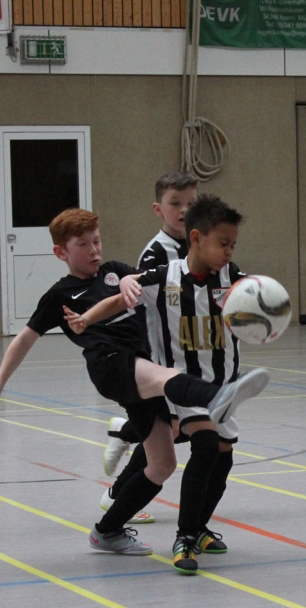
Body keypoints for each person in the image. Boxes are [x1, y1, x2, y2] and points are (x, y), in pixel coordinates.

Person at [0, 207, 269, 557]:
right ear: (60, 252)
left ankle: (107, 530)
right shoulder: (60, 294)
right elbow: (25, 339)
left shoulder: (115, 271)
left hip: (142, 368)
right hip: (111, 365)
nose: (94, 250)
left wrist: (132, 280)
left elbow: (147, 281)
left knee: (161, 465)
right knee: (169, 377)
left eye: (97, 241)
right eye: (83, 245)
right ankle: (217, 396)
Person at [66, 194, 264, 575]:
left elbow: (258, 306)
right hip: (181, 386)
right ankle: (184, 537)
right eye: (223, 243)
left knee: (223, 457)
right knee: (205, 446)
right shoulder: (164, 277)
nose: (228, 252)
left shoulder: (233, 279)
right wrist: (87, 319)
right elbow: (120, 299)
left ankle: (198, 527)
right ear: (196, 238)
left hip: (223, 387)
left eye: (233, 245)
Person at [100, 172, 198, 525]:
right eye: (175, 203)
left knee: (179, 428)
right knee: (172, 431)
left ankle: (125, 432)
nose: (184, 210)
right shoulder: (156, 252)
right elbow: (139, 306)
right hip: (162, 357)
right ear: (159, 209)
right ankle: (117, 493)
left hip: (191, 352)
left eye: (191, 203)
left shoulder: (199, 245)